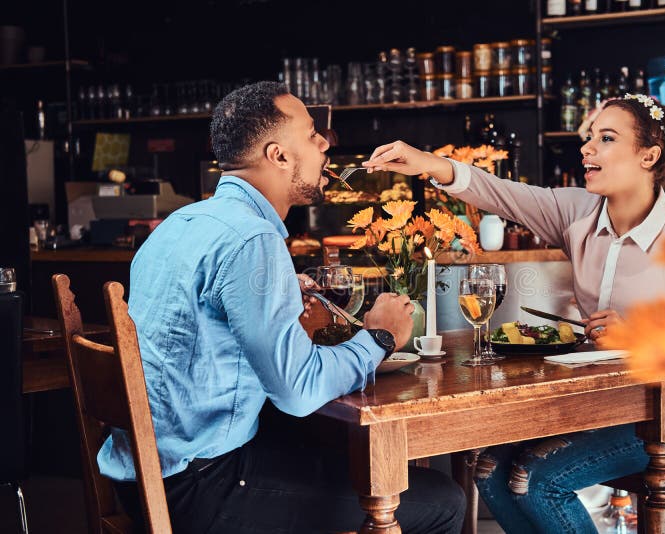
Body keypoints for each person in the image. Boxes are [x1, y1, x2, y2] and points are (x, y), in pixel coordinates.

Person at [362, 93, 665, 533]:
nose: (587, 148)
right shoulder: (576, 211)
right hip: (594, 402)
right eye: (590, 137)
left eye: (606, 138)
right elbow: (501, 194)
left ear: (649, 155)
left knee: (536, 481)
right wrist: (426, 162)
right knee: (488, 469)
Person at [104, 81, 466, 534]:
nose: (325, 143)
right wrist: (380, 336)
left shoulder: (181, 223)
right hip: (201, 488)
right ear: (278, 156)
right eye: (312, 134)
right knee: (442, 500)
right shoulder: (253, 238)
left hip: (144, 476)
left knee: (334, 454)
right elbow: (296, 390)